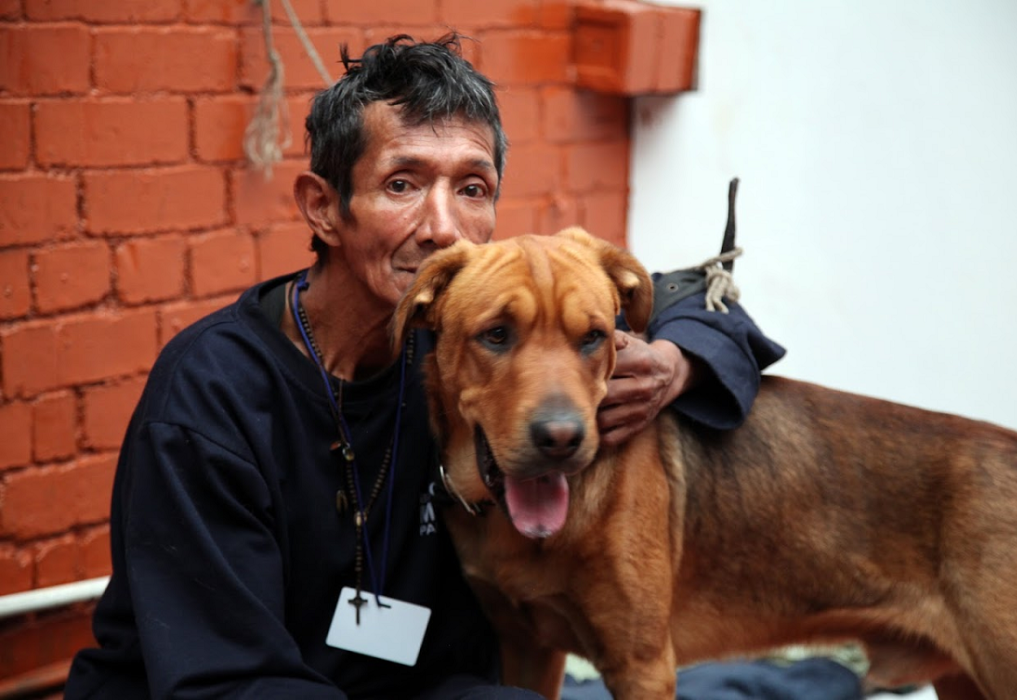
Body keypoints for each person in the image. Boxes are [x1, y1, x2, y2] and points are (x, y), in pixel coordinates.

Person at [66, 34, 855, 699]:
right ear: (321, 207)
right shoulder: (212, 400)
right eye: (402, 184)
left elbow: (690, 297)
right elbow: (225, 682)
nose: (443, 227)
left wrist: (676, 361)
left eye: (471, 188)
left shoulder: (461, 337)